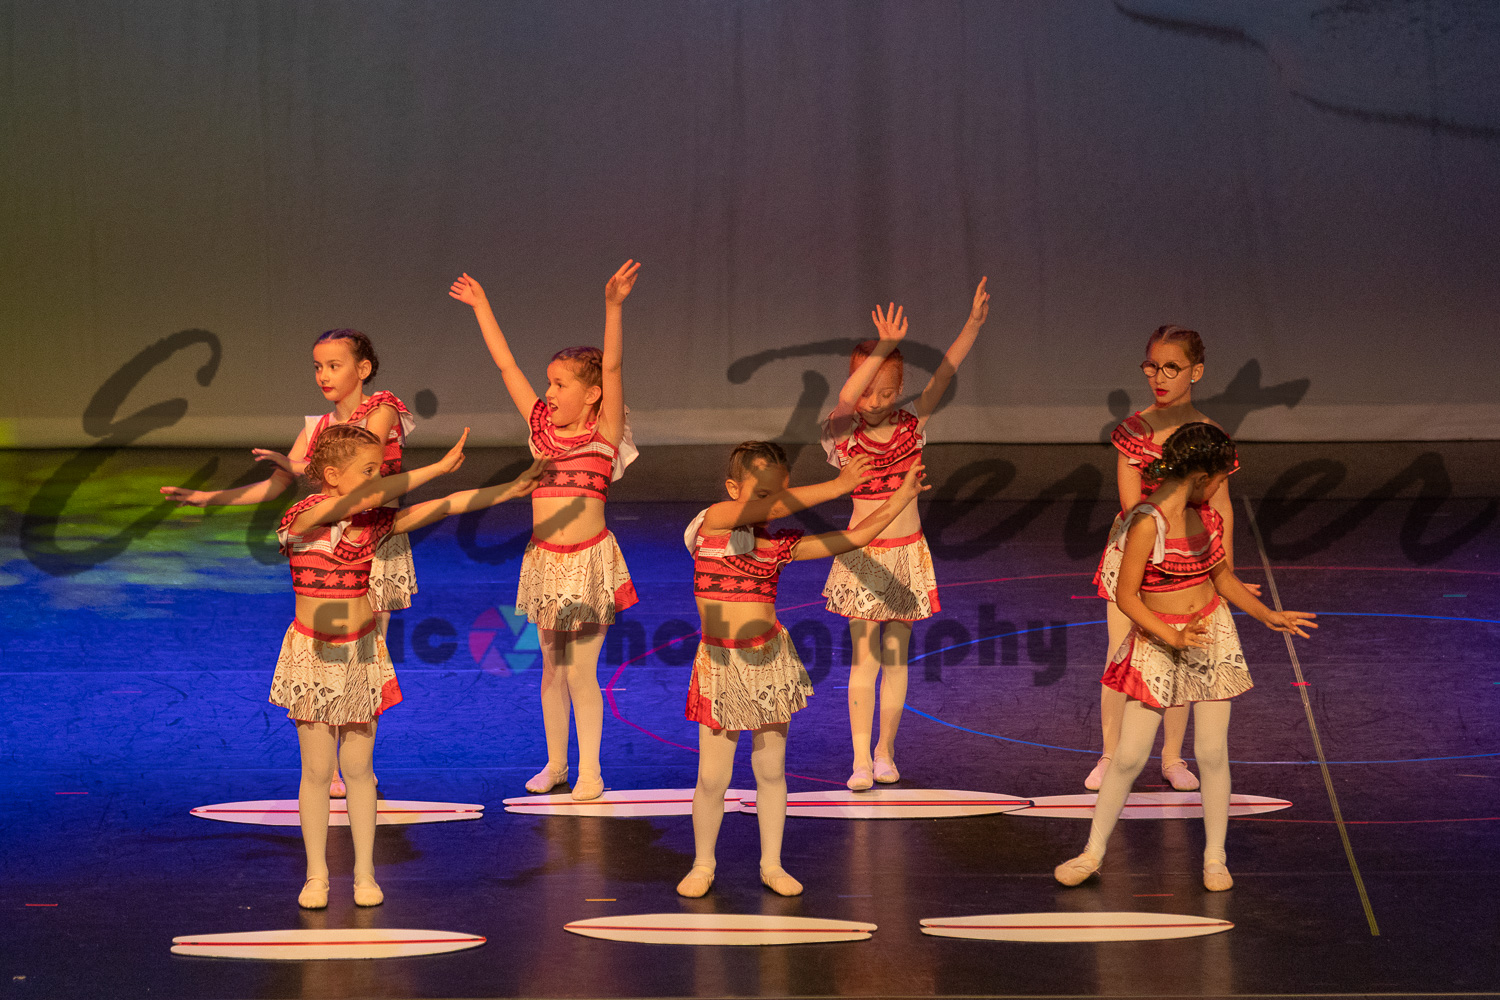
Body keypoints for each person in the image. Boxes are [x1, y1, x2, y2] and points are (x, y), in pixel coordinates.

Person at [271, 424, 540, 908]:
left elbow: (447, 506)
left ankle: (364, 873)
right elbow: (351, 503)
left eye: (379, 471)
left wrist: (510, 489)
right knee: (317, 771)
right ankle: (316, 876)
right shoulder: (303, 515)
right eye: (368, 471)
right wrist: (436, 467)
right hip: (312, 655)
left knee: (359, 769)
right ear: (331, 475)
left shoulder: (374, 524)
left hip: (359, 653)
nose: (378, 480)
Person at [1056, 422, 1316, 891]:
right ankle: (1091, 853)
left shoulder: (1206, 518)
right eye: (1218, 481)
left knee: (1212, 751)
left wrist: (1267, 615)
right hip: (1161, 641)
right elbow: (1126, 595)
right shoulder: (1146, 523)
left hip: (1210, 635)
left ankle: (1215, 858)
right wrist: (1171, 637)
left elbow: (1223, 578)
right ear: (1200, 477)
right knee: (1130, 756)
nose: (1218, 490)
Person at [161, 328, 415, 799]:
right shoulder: (316, 427)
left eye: (334, 365)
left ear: (362, 369)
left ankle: (359, 763)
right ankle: (330, 766)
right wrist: (208, 498)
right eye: (318, 367)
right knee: (328, 655)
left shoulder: (381, 410)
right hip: (329, 551)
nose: (324, 375)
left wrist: (294, 463)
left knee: (365, 655)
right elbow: (277, 485)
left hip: (374, 541)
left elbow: (359, 460)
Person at [677, 441, 925, 898]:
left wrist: (901, 497)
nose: (773, 502)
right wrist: (840, 484)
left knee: (771, 771)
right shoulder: (712, 522)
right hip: (720, 665)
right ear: (733, 488)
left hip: (769, 662)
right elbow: (771, 507)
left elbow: (855, 538)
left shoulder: (778, 547)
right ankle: (703, 863)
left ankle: (771, 864)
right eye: (762, 491)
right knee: (712, 777)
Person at [449, 262, 640, 801]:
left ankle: (590, 771)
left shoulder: (604, 432)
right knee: (552, 670)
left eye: (560, 384)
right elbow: (506, 366)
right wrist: (482, 306)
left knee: (581, 672)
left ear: (593, 394)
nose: (549, 393)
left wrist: (613, 306)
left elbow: (614, 364)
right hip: (545, 562)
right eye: (549, 383)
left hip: (588, 561)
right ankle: (557, 763)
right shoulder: (541, 431)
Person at [821, 281, 989, 790]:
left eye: (887, 393)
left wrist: (972, 325)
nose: (874, 402)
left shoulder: (913, 425)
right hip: (863, 556)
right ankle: (858, 760)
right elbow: (847, 397)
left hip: (907, 555)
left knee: (895, 660)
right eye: (867, 390)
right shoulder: (843, 430)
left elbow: (945, 374)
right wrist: (883, 349)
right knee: (864, 660)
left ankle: (885, 751)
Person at [1085, 325, 1260, 793]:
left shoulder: (1210, 436)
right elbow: (1133, 508)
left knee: (1182, 652)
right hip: (1139, 554)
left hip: (1192, 561)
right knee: (1123, 653)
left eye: (1171, 368)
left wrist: (1224, 573)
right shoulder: (1134, 431)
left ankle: (1172, 757)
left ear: (1195, 372)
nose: (1158, 378)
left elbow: (1220, 508)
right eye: (1152, 367)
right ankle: (1110, 754)